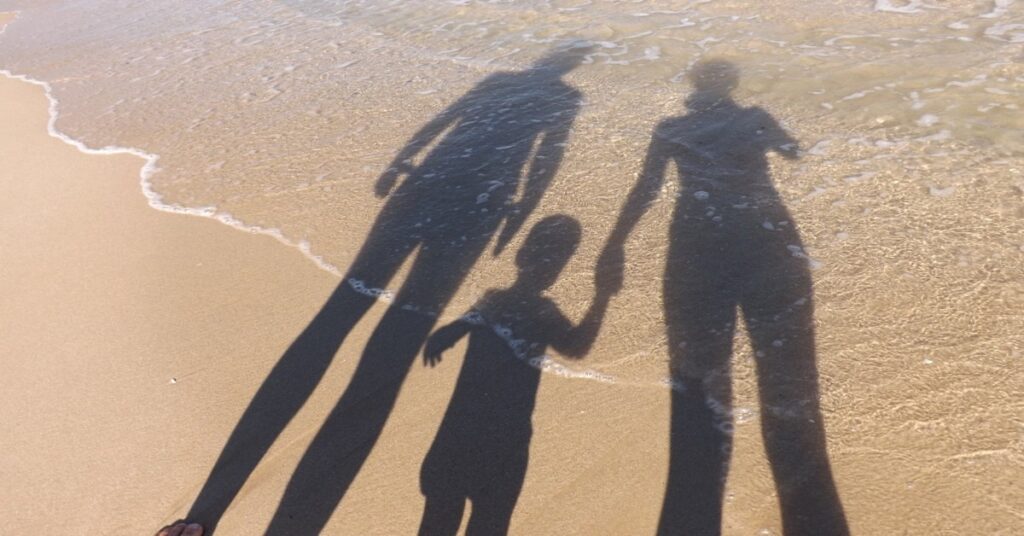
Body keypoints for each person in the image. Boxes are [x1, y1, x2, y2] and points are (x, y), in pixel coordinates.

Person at [187, 43, 590, 535]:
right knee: (404, 327)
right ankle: (345, 430)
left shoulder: (502, 81)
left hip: (425, 184)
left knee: (342, 310)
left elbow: (448, 120)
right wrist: (523, 209)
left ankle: (242, 481)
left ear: (542, 58)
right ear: (572, 66)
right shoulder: (564, 100)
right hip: (480, 205)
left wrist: (402, 160)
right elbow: (548, 155)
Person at [599, 60, 848, 535]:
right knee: (786, 371)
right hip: (765, 236)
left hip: (698, 241)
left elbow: (647, 188)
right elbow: (794, 152)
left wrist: (616, 243)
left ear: (692, 87)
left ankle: (708, 451)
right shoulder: (754, 118)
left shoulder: (671, 129)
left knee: (700, 373)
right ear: (733, 85)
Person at [417, 215, 616, 536]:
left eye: (558, 259)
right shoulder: (540, 312)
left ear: (521, 255)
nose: (551, 267)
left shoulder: (494, 302)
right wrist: (601, 297)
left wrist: (442, 336)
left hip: (463, 432)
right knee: (486, 522)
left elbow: (451, 332)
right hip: (504, 441)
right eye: (555, 259)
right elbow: (577, 346)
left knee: (440, 518)